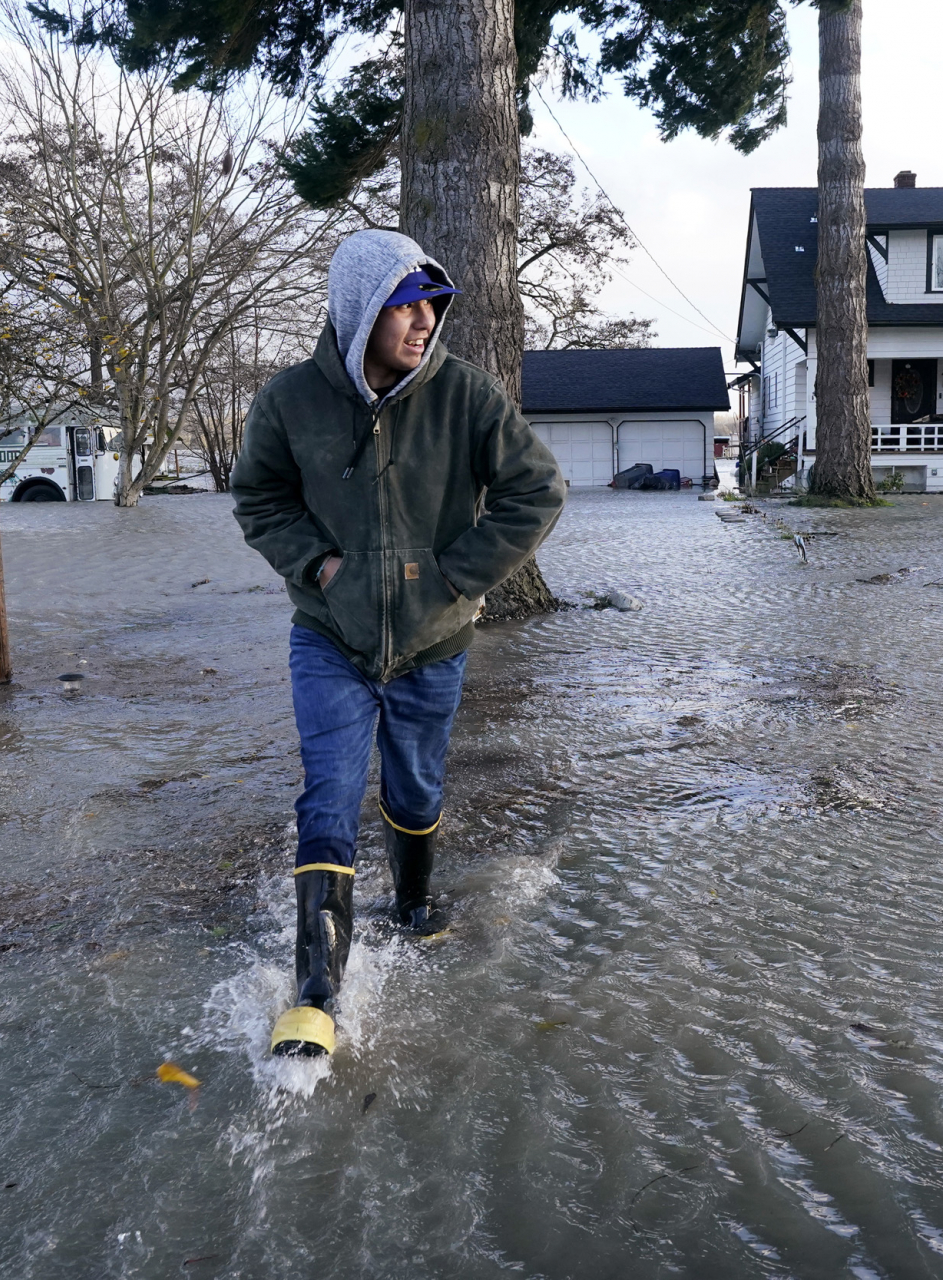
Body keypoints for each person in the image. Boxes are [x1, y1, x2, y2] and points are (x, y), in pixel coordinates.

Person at [231, 230, 565, 1058]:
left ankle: (414, 906)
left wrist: (458, 575)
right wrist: (318, 564)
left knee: (414, 791)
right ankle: (316, 992)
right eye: (405, 305)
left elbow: (537, 490)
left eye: (433, 305)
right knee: (329, 793)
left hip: (434, 641)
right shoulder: (289, 403)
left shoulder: (466, 397)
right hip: (328, 637)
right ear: (358, 312)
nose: (424, 321)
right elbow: (259, 499)